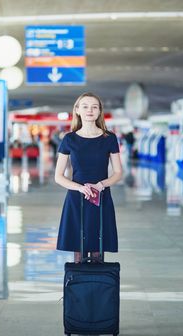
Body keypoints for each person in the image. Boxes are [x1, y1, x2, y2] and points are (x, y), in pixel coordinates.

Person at [55, 92, 122, 263]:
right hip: (76, 199)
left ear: (100, 111)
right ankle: (79, 289)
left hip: (101, 198)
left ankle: (99, 289)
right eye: (85, 106)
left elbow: (118, 172)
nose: (89, 110)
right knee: (79, 254)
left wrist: (101, 185)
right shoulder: (69, 139)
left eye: (94, 107)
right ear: (77, 110)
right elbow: (58, 176)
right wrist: (79, 187)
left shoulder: (109, 138)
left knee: (99, 251)